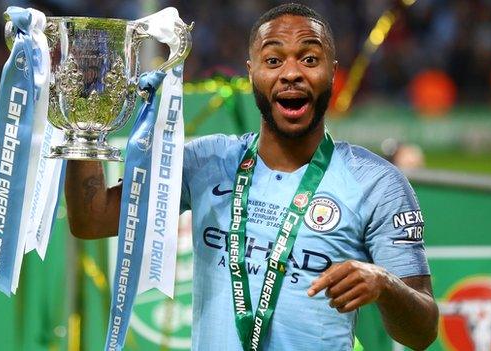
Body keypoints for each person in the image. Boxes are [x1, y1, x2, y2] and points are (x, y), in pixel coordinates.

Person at [65, 3, 438, 350]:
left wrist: (385, 284)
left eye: (309, 58)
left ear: (333, 72)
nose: (291, 73)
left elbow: (422, 332)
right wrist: (84, 123)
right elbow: (92, 218)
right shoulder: (207, 161)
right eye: (273, 59)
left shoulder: (377, 184)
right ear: (251, 73)